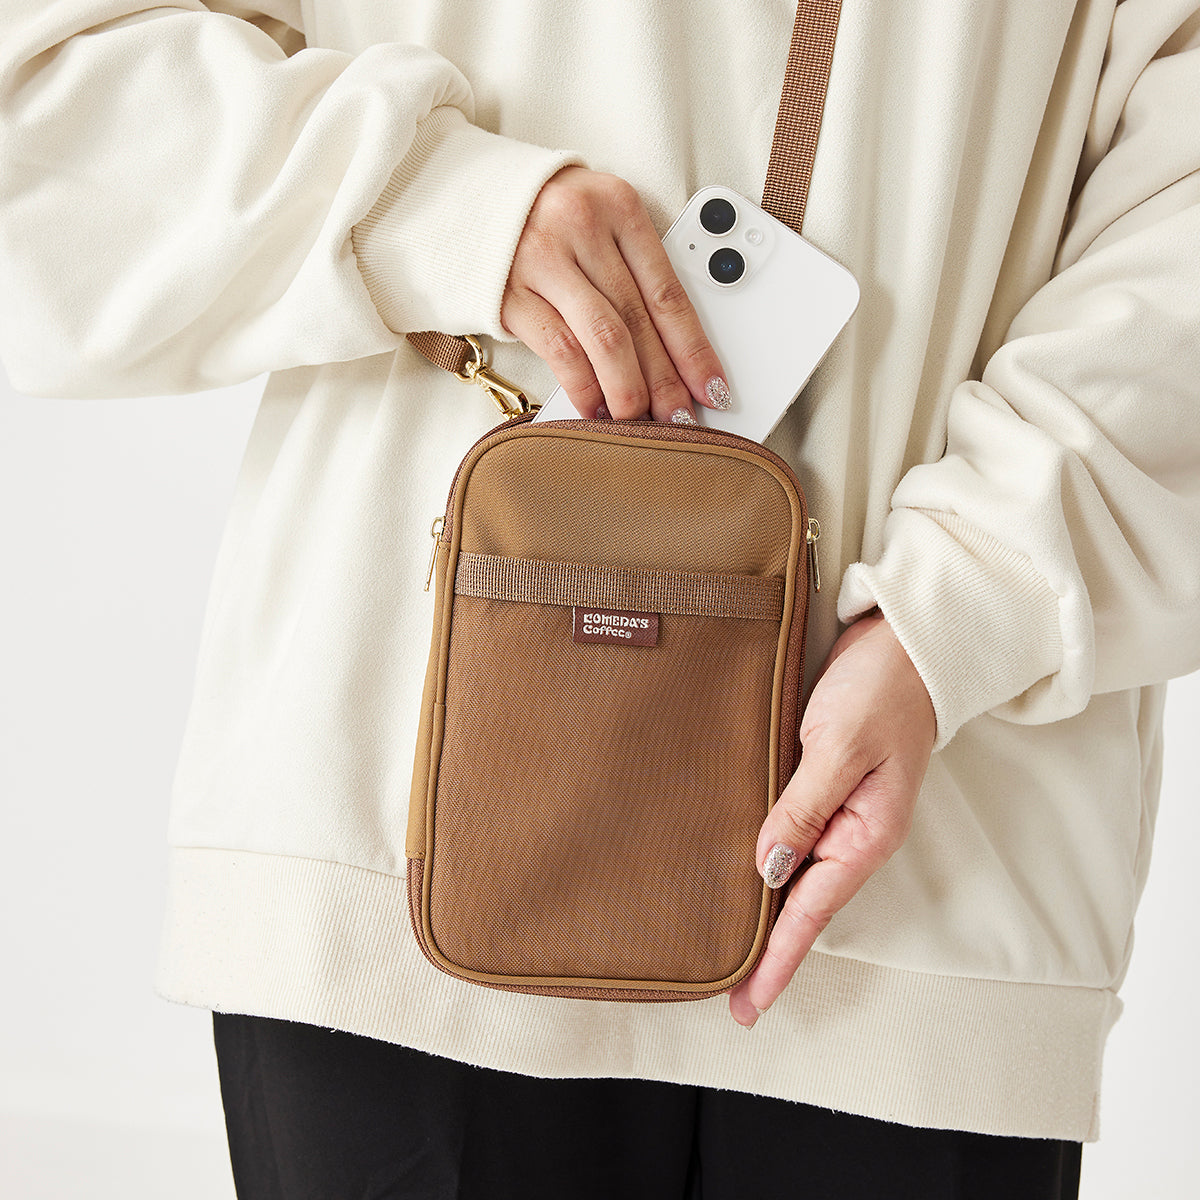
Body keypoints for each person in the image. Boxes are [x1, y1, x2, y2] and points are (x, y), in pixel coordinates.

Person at [1, 1, 1197, 1196]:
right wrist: (429, 201)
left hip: (933, 878)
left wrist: (966, 606)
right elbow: (41, 91)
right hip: (400, 822)